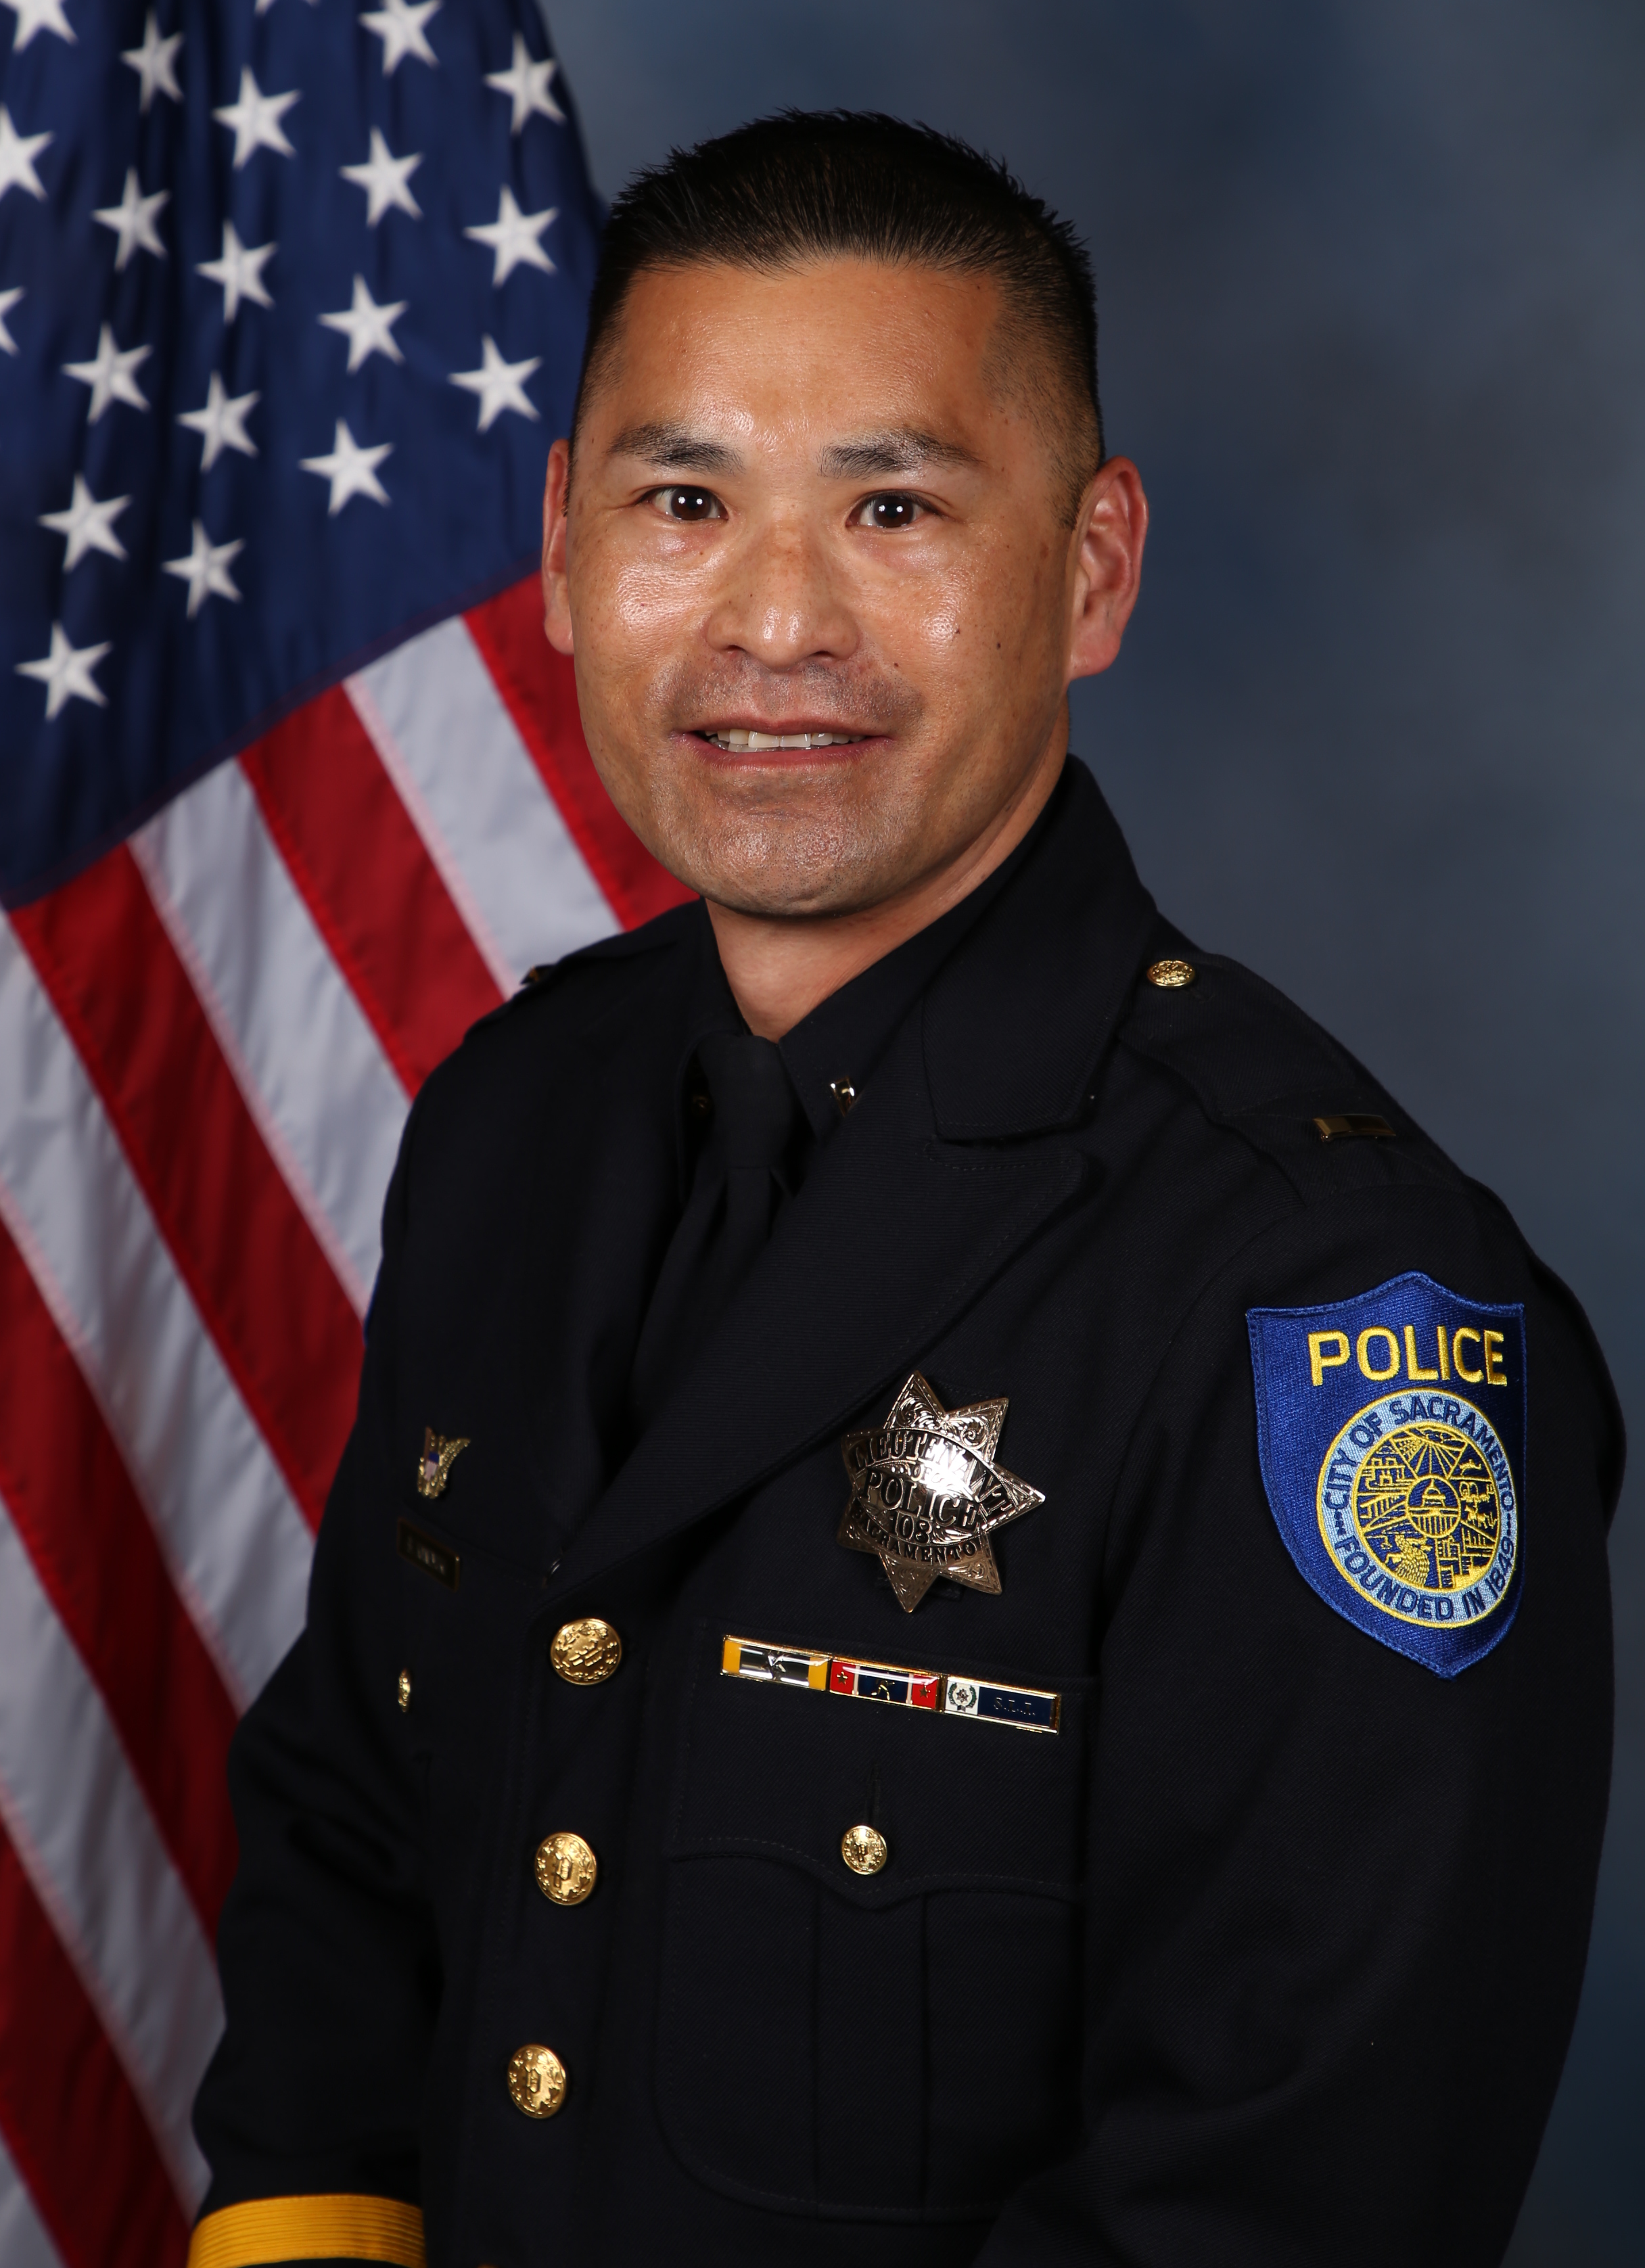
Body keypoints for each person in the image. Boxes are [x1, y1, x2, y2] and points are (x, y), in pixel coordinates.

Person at [189, 113, 1621, 2268]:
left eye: (893, 506)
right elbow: (362, 1812)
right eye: (687, 501)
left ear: (1094, 567)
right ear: (565, 551)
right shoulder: (515, 1123)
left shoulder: (1324, 1303)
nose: (775, 618)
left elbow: (1288, 2194)